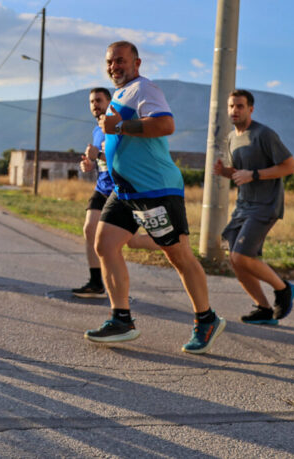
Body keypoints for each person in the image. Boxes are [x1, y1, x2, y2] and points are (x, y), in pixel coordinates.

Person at [85, 41, 225, 354]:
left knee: (178, 256)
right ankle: (121, 320)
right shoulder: (119, 95)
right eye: (110, 62)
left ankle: (207, 319)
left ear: (136, 63)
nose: (114, 66)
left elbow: (165, 124)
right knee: (104, 244)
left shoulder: (144, 89)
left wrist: (120, 126)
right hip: (125, 191)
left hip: (155, 190)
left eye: (120, 60)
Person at [213, 89, 294, 324]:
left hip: (265, 205)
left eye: (240, 106)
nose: (235, 110)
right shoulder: (232, 137)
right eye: (231, 106)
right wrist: (225, 172)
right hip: (243, 206)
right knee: (235, 260)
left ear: (250, 109)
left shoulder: (263, 134)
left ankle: (284, 289)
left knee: (241, 256)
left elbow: (290, 167)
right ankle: (263, 309)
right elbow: (241, 173)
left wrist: (255, 174)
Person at [73, 87, 158, 298]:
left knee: (132, 242)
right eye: (92, 102)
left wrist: (98, 155)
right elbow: (99, 161)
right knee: (89, 229)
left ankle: (167, 242)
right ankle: (96, 282)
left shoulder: (118, 126)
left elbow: (123, 157)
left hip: (121, 190)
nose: (95, 105)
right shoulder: (97, 131)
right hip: (102, 188)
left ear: (109, 102)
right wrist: (89, 164)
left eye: (99, 100)